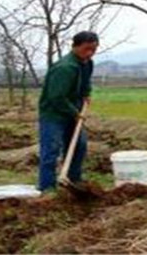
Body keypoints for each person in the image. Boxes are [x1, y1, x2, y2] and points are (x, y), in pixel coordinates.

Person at [37, 31, 98, 191]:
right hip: (54, 114)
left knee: (79, 145)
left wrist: (86, 94)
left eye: (93, 49)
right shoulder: (65, 68)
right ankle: (47, 187)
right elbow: (56, 97)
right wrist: (75, 113)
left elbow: (86, 83)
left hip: (73, 111)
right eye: (86, 49)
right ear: (75, 47)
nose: (90, 53)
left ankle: (73, 180)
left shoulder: (87, 63)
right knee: (51, 150)